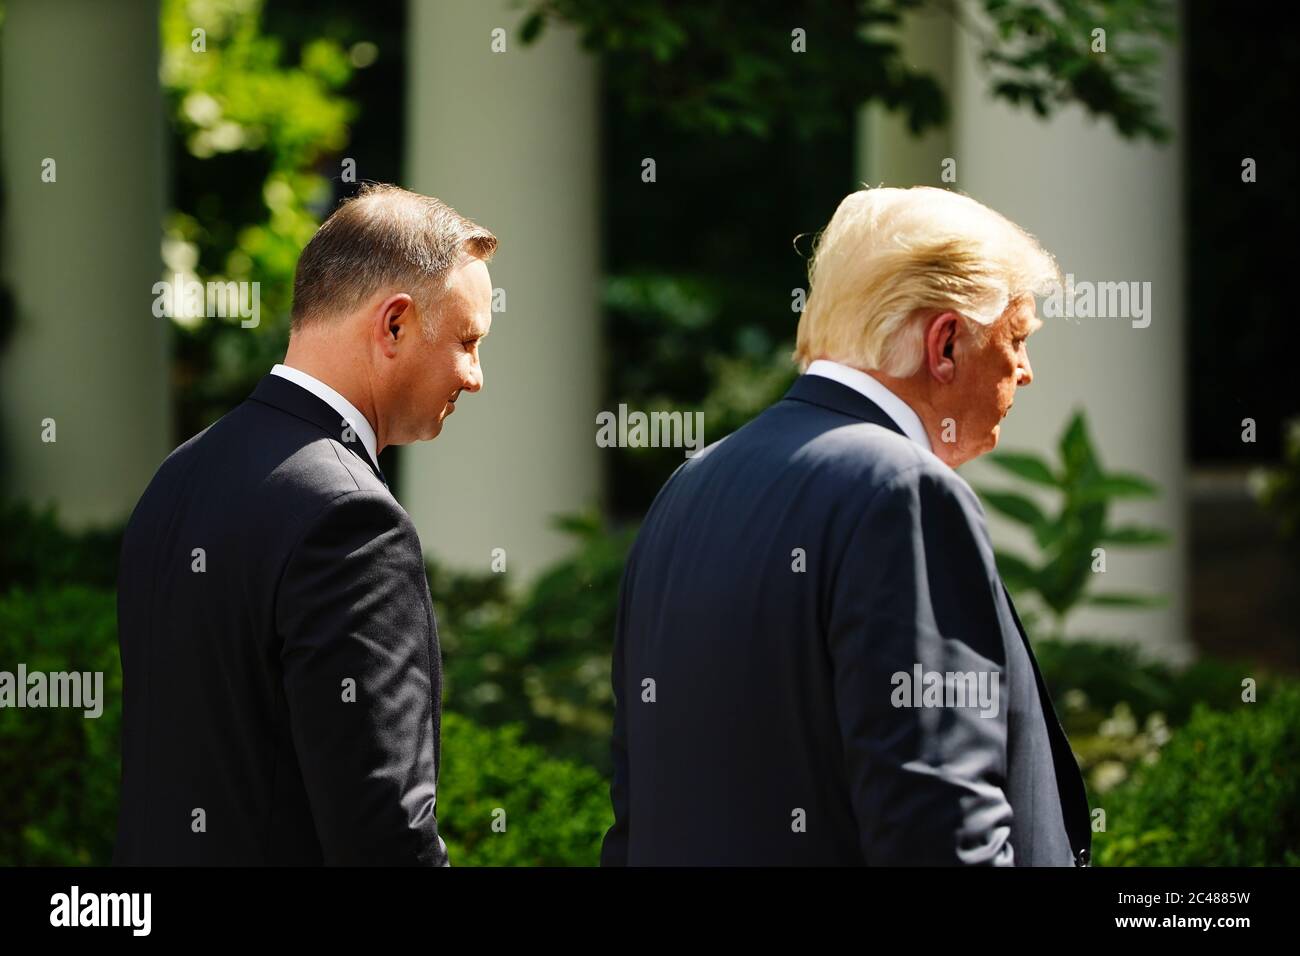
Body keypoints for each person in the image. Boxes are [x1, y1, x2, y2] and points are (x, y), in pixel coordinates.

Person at [601, 186, 1091, 866]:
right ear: (945, 344)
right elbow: (941, 832)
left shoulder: (690, 486)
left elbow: (637, 815)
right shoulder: (904, 490)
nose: (1025, 372)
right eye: (1017, 339)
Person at [114, 183, 495, 865]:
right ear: (395, 324)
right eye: (467, 341)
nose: (475, 377)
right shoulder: (350, 517)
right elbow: (383, 834)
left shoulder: (180, 475)